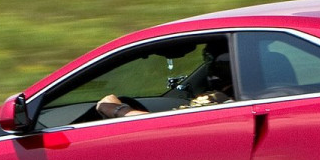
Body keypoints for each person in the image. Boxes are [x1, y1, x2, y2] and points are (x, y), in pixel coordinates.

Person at [95, 50, 234, 119]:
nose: (208, 64)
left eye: (209, 59)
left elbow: (168, 128)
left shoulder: (218, 100)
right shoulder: (241, 93)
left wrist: (119, 110)